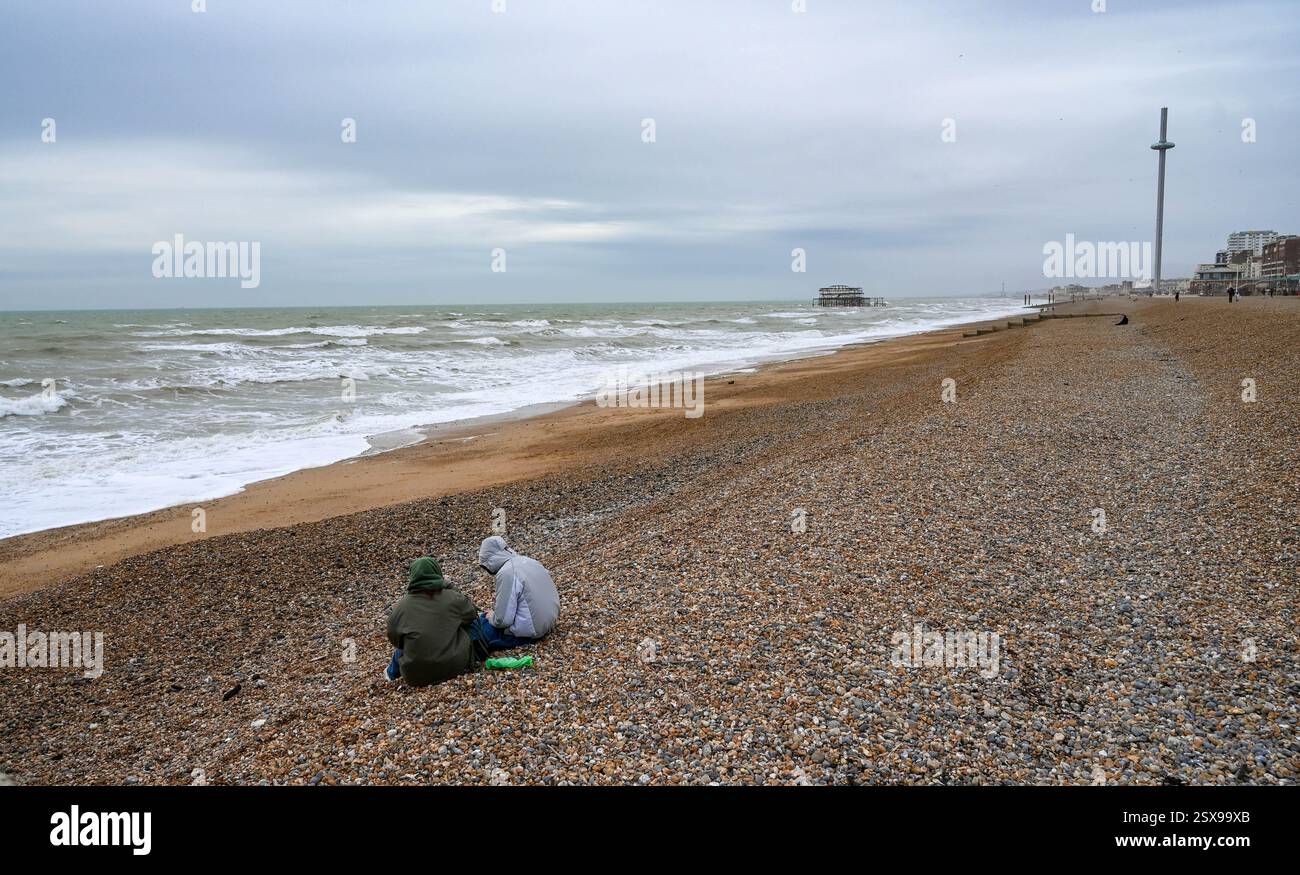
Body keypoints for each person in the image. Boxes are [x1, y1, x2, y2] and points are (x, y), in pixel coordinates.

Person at [385, 557, 481, 686]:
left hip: (416, 677)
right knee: (473, 624)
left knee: (406, 642)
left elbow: (394, 639)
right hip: (455, 667)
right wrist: (450, 586)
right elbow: (472, 613)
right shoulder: (452, 597)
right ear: (437, 572)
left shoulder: (399, 608)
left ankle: (391, 673)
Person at [472, 536, 559, 651]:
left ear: (489, 561)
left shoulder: (507, 573)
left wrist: (492, 617)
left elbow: (502, 621)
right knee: (484, 619)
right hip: (549, 621)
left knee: (478, 628)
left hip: (532, 632)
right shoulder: (529, 561)